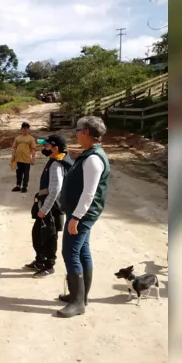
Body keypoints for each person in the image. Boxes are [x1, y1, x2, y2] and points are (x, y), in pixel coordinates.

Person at [56, 116, 111, 318]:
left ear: (86, 132)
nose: (76, 133)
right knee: (82, 251)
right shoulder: (90, 154)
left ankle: (78, 302)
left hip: (83, 214)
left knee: (70, 252)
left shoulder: (94, 159)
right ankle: (79, 295)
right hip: (81, 212)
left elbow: (90, 192)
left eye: (78, 130)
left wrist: (76, 217)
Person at [24, 135, 73, 278]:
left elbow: (55, 189)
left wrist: (44, 209)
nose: (44, 148)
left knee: (49, 236)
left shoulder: (57, 164)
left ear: (55, 148)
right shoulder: (56, 160)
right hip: (46, 204)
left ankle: (49, 265)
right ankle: (40, 260)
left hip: (50, 206)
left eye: (46, 146)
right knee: (38, 234)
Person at [11, 122, 37, 193]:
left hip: (26, 160)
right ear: (21, 129)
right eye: (24, 128)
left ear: (28, 129)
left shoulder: (31, 139)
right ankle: (18, 186)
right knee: (18, 173)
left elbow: (33, 149)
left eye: (27, 128)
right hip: (18, 159)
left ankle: (24, 187)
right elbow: (14, 148)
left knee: (26, 174)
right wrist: (13, 157)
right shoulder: (17, 138)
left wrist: (33, 158)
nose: (25, 130)